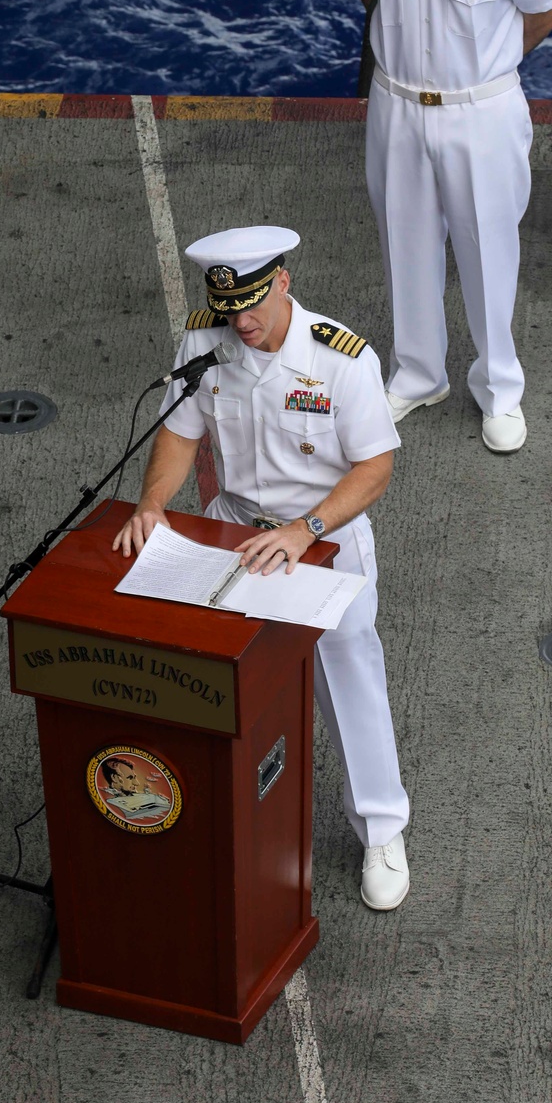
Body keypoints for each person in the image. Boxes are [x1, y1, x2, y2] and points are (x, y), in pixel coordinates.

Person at [112, 226, 411, 910]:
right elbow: (180, 432)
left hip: (321, 540)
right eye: (229, 311)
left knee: (348, 675)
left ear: (282, 282)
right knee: (214, 678)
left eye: (252, 305)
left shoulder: (342, 358)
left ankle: (382, 830)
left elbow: (376, 467)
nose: (241, 324)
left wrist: (306, 533)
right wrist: (153, 505)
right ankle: (222, 820)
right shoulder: (206, 342)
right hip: (233, 533)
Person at [331, 0, 552, 452]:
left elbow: (545, 10)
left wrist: (488, 73)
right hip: (398, 106)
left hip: (481, 114)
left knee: (488, 250)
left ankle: (499, 390)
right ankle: (416, 374)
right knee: (402, 241)